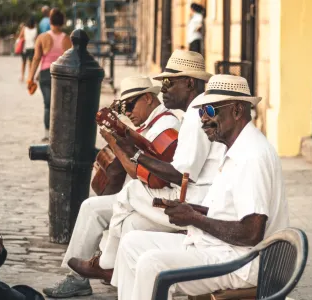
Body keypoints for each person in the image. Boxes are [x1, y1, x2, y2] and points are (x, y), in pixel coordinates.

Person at [112, 74, 289, 300]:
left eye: (211, 111)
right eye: (201, 112)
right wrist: (192, 211)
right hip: (219, 247)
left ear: (237, 111)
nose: (204, 119)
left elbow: (251, 233)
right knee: (131, 243)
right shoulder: (234, 148)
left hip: (242, 261)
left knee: (152, 264)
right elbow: (230, 212)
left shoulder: (251, 156)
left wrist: (194, 219)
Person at [66, 50, 226, 286]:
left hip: (194, 201)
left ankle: (106, 264)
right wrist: (128, 140)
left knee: (130, 193)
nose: (163, 90)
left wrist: (134, 152)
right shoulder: (195, 114)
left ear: (189, 83)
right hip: (196, 196)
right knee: (130, 225)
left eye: (169, 83)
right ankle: (112, 273)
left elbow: (180, 174)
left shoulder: (194, 117)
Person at [42, 76, 181, 298]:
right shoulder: (151, 125)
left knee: (94, 208)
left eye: (130, 106)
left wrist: (116, 143)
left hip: (157, 196)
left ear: (147, 98)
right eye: (123, 109)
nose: (127, 113)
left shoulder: (166, 125)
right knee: (92, 207)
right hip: (145, 193)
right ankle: (83, 275)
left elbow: (143, 173)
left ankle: (100, 269)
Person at [27, 8, 72, 142]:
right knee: (62, 105)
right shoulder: (67, 39)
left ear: (50, 21)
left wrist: (30, 77)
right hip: (63, 74)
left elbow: (36, 59)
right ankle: (61, 132)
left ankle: (47, 134)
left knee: (48, 104)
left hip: (46, 74)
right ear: (63, 22)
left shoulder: (42, 37)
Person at [18, 17, 37, 82]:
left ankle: (22, 76)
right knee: (30, 63)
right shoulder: (35, 30)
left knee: (23, 63)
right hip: (32, 48)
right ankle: (30, 77)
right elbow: (35, 39)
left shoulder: (24, 29)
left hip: (25, 48)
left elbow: (20, 37)